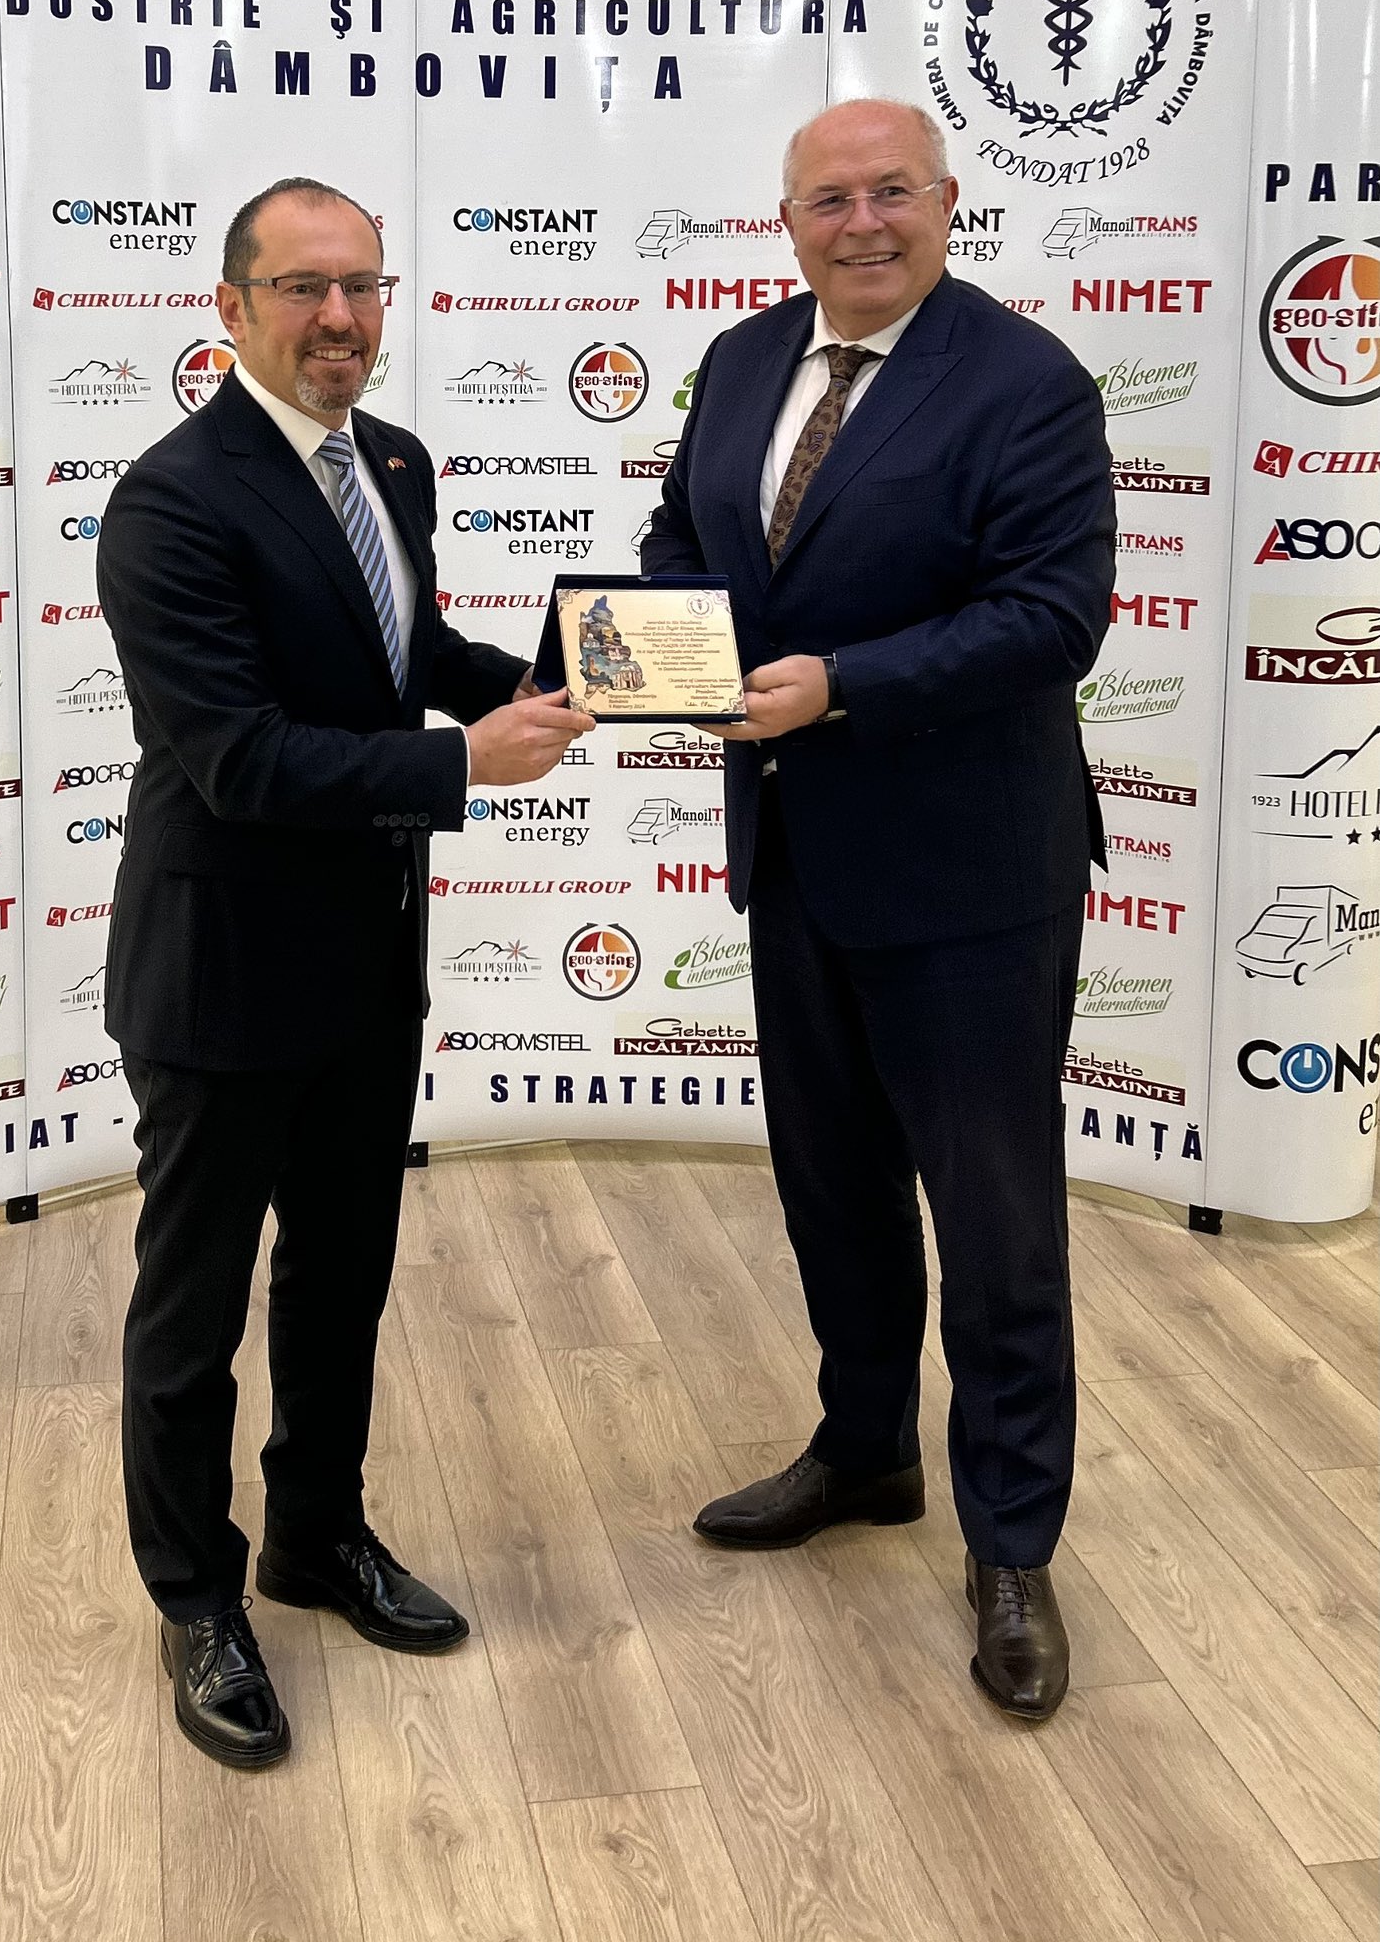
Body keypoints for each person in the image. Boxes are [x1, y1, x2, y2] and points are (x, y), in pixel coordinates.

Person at [96, 177, 593, 1769]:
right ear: (229, 306)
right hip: (221, 974)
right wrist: (462, 767)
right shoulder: (171, 503)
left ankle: (314, 1537)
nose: (338, 318)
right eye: (302, 287)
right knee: (192, 1314)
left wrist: (560, 678)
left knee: (341, 1275)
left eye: (362, 286)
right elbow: (239, 759)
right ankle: (196, 1598)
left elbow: (404, 656)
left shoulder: (391, 460)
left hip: (371, 963)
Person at [641, 99, 1114, 1720]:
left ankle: (1011, 1546)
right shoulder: (741, 360)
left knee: (994, 1230)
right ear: (786, 221)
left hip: (970, 878)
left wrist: (836, 683)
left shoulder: (1025, 380)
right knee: (831, 1189)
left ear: (945, 200)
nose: (861, 223)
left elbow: (1050, 618)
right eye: (827, 199)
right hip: (792, 858)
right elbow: (682, 541)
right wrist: (652, 652)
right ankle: (863, 1453)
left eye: (890, 191)